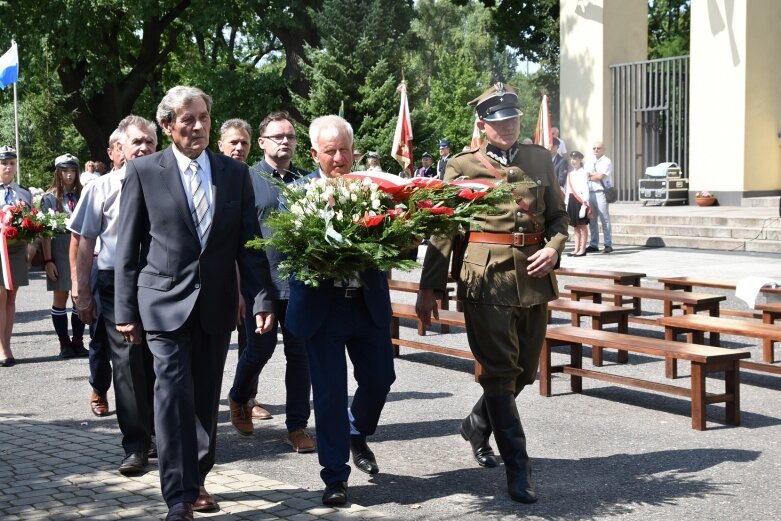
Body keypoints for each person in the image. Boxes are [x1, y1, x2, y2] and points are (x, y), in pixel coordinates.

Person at [113, 86, 275, 521]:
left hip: (217, 304)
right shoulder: (144, 171)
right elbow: (127, 248)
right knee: (171, 395)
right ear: (167, 126)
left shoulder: (234, 174)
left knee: (204, 397)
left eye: (203, 117)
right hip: (162, 302)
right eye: (188, 120)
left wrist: (260, 297)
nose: (199, 126)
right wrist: (125, 311)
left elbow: (249, 246)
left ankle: (199, 476)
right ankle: (179, 496)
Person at [416, 83, 569, 504]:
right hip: (485, 278)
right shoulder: (461, 166)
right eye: (498, 122)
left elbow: (558, 217)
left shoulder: (540, 158)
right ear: (482, 125)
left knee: (525, 373)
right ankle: (519, 470)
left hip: (534, 278)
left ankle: (477, 423)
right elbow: (444, 227)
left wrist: (554, 251)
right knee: (500, 374)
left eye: (513, 120)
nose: (507, 127)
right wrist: (429, 287)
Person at [285, 115, 396, 506]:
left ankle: (356, 430)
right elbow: (282, 250)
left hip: (366, 303)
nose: (338, 157)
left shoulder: (374, 188)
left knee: (381, 378)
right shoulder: (297, 194)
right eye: (329, 151)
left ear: (355, 150)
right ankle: (335, 477)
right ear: (315, 153)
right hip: (322, 307)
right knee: (330, 395)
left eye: (344, 149)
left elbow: (393, 241)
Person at [70, 116, 159, 472]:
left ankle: (160, 434)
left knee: (160, 359)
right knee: (125, 364)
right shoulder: (101, 188)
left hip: (159, 280)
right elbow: (85, 240)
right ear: (118, 148)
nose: (143, 148)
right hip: (113, 282)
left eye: (150, 142)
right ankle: (136, 443)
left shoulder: (168, 183)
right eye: (136, 141)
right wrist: (81, 290)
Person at [227, 111, 315, 454]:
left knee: (300, 355)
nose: (285, 141)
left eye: (290, 137)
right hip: (259, 284)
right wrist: (236, 287)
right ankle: (239, 395)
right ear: (262, 143)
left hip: (299, 283)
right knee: (259, 349)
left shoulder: (306, 182)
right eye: (278, 136)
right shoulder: (245, 179)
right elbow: (235, 237)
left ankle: (297, 426)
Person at [41, 154, 87, 359]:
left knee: (79, 297)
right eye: (64, 171)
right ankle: (64, 343)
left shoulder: (84, 194)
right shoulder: (49, 197)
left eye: (73, 171)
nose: (69, 175)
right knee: (61, 296)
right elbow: (45, 233)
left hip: (80, 249)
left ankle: (78, 341)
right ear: (57, 173)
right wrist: (48, 260)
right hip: (59, 248)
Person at [0, 146, 32, 367]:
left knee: (11, 297)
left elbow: (32, 222)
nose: (9, 167)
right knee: (0, 296)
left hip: (17, 249)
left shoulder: (24, 193)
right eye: (4, 163)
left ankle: (7, 343)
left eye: (12, 163)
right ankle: (2, 347)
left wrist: (32, 244)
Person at [585, 141, 614, 254]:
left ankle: (608, 244)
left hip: (601, 192)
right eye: (594, 148)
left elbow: (600, 176)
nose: (596, 150)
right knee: (592, 219)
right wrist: (592, 175)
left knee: (604, 218)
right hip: (590, 192)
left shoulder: (606, 161)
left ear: (603, 149)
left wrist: (590, 176)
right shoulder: (589, 161)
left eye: (598, 148)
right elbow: (586, 175)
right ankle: (593, 244)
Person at [564, 151, 590, 256]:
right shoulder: (570, 174)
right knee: (575, 227)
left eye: (575, 159)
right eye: (571, 159)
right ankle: (576, 249)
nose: (573, 161)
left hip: (580, 201)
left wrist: (584, 204)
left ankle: (582, 249)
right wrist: (566, 204)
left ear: (580, 160)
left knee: (582, 226)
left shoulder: (583, 172)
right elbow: (568, 190)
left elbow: (585, 188)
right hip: (572, 201)